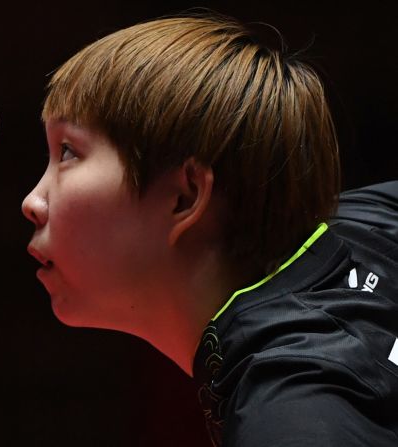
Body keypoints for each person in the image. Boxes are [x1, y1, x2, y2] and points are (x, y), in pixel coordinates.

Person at [21, 12, 398, 447]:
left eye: (68, 152)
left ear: (184, 197)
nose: (32, 202)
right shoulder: (373, 221)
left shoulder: (291, 415)